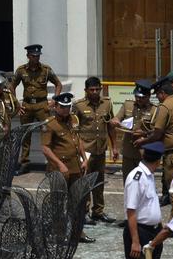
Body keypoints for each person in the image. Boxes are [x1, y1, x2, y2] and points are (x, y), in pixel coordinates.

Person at [135, 76, 173, 217]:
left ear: (162, 93)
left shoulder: (165, 106)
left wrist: (142, 141)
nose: (158, 98)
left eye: (158, 95)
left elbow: (158, 133)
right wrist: (147, 132)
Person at [41, 92, 94, 243]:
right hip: (59, 171)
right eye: (63, 107)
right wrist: (59, 164)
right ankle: (59, 234)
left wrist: (84, 159)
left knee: (77, 202)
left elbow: (78, 140)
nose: (66, 110)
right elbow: (45, 148)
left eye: (68, 106)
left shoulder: (73, 119)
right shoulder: (49, 123)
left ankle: (78, 232)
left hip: (76, 168)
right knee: (58, 202)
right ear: (56, 106)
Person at [72, 76, 118, 223]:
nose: (95, 92)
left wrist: (114, 147)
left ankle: (98, 211)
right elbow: (74, 130)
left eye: (97, 89)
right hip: (85, 150)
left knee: (99, 182)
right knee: (85, 182)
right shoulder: (78, 106)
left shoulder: (107, 104)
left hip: (100, 149)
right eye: (91, 90)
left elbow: (110, 125)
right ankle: (83, 212)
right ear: (86, 90)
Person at [13, 44, 62, 174]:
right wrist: (16, 104)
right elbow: (11, 86)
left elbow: (58, 84)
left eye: (38, 56)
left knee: (48, 133)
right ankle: (24, 163)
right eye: (33, 56)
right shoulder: (21, 70)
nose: (36, 58)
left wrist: (54, 100)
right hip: (27, 106)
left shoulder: (46, 70)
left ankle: (52, 164)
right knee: (25, 135)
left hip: (42, 106)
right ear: (28, 56)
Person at [123, 141, 166, 259]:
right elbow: (131, 211)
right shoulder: (136, 178)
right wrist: (135, 242)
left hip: (153, 232)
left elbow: (151, 204)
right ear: (158, 161)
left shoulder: (149, 175)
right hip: (140, 232)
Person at [112, 79, 156, 184]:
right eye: (137, 97)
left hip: (144, 153)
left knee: (144, 184)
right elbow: (116, 118)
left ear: (148, 96)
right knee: (128, 183)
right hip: (128, 152)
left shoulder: (154, 110)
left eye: (142, 97)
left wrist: (145, 134)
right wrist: (116, 121)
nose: (139, 99)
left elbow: (157, 131)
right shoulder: (128, 105)